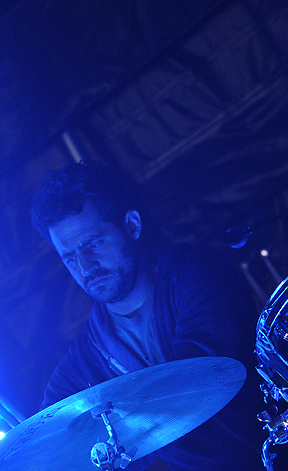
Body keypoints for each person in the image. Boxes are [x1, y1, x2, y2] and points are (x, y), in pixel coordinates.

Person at [30, 160, 264, 471]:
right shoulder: (83, 362)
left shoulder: (197, 274)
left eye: (93, 244)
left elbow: (196, 381)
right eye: (70, 257)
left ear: (132, 226)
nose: (86, 267)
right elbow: (46, 447)